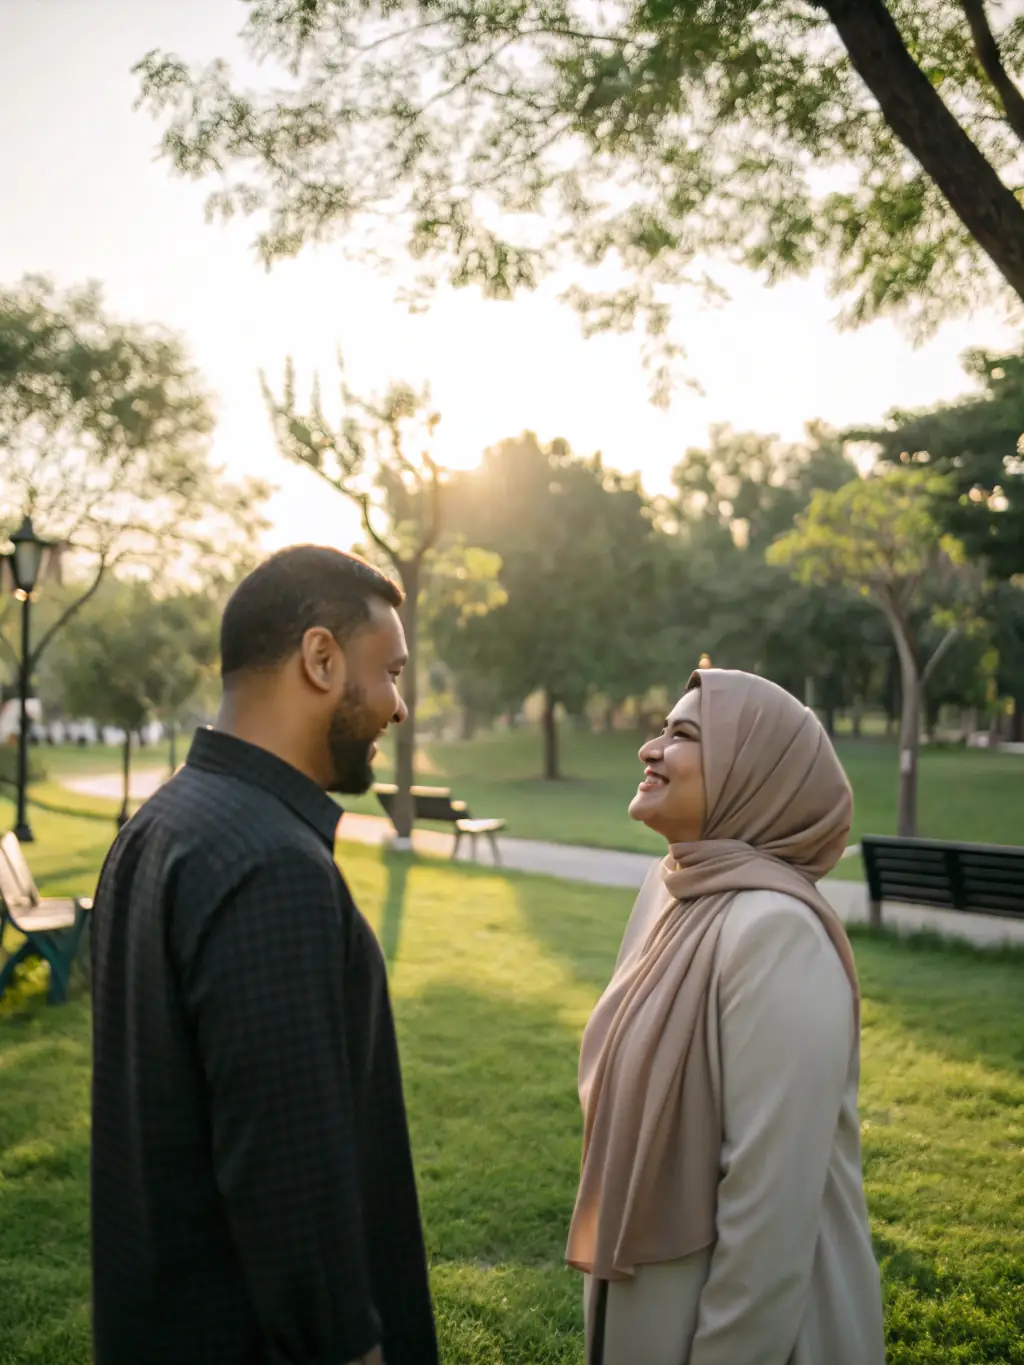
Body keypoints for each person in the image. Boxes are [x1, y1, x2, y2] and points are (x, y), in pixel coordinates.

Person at [90, 546, 438, 1365]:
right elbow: (290, 1183)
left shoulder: (158, 827)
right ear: (320, 659)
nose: (399, 707)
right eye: (389, 672)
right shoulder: (269, 864)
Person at [567, 668, 886, 1365]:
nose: (650, 748)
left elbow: (769, 1217)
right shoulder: (671, 888)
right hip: (648, 1302)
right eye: (661, 728)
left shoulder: (776, 930)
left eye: (683, 734)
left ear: (753, 773)